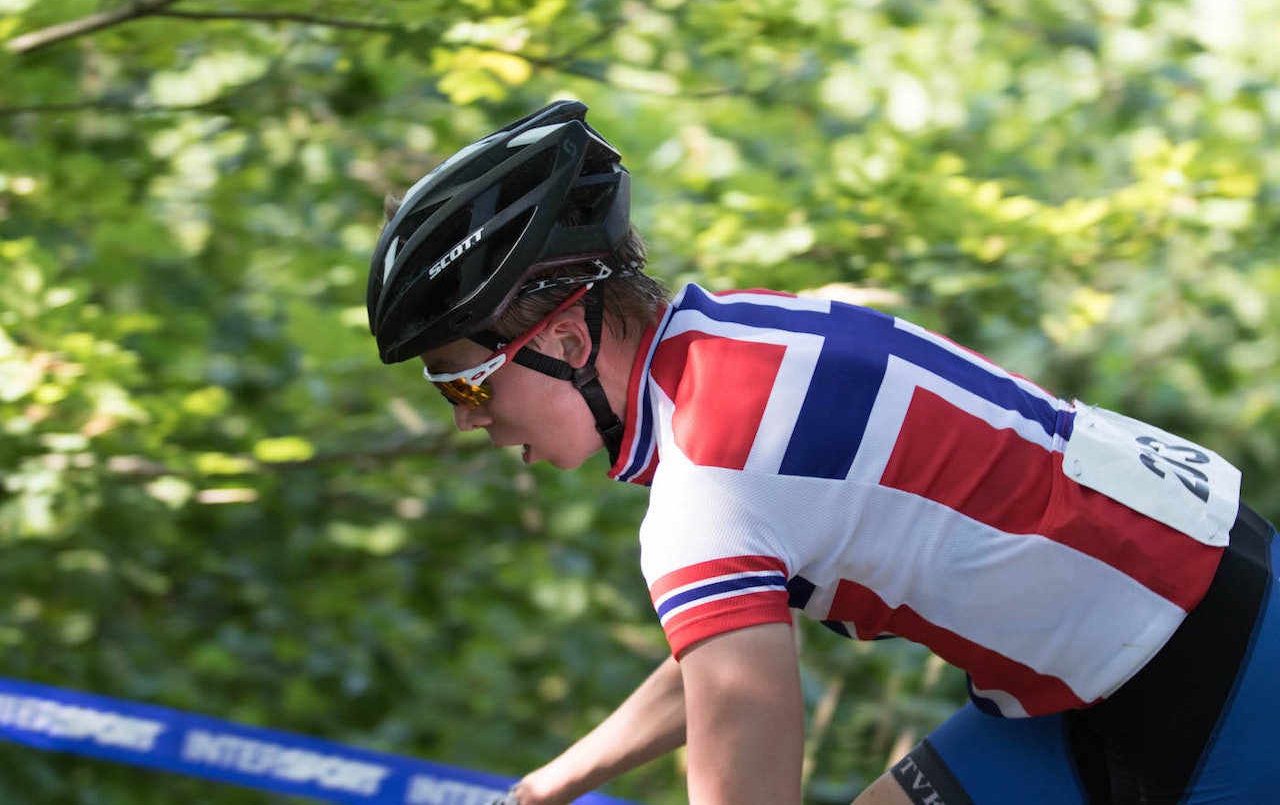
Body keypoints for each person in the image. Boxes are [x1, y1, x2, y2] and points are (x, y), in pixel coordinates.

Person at [365, 101, 1280, 804]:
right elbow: (723, 654)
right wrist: (556, 782)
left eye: (467, 382)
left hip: (1212, 668)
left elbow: (743, 727)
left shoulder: (706, 483)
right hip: (1126, 638)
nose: (465, 419)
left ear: (565, 344)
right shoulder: (741, 341)